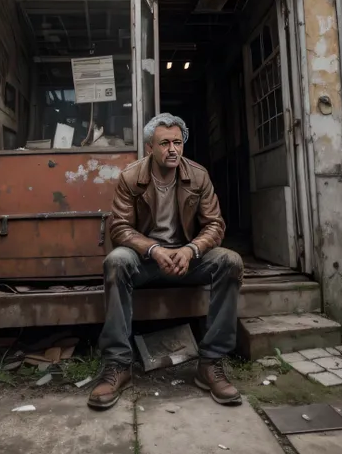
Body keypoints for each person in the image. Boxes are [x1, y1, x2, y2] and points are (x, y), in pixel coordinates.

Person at [87, 113, 244, 410]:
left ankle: (210, 363)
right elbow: (119, 228)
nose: (173, 149)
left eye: (177, 142)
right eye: (164, 143)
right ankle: (119, 365)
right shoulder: (131, 177)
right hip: (146, 261)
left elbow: (215, 225)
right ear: (150, 148)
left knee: (230, 262)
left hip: (188, 259)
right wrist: (154, 250)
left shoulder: (198, 176)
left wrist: (190, 250)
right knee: (116, 261)